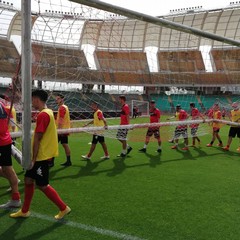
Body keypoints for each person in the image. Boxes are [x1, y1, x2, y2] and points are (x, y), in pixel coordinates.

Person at [10, 89, 71, 219]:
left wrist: (33, 159)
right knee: (28, 180)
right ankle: (25, 210)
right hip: (41, 156)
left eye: (32, 99)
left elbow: (38, 138)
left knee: (42, 185)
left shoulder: (43, 115)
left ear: (36, 99)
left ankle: (63, 208)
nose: (31, 102)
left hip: (41, 157)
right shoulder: (48, 112)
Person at [0, 100, 21, 208]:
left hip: (2, 141)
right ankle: (15, 196)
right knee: (7, 169)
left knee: (7, 169)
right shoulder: (5, 106)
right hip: (5, 140)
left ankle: (16, 198)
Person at [49, 93, 71, 167]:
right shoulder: (65, 107)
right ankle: (68, 161)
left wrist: (59, 130)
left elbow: (61, 119)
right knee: (65, 144)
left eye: (58, 99)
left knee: (54, 145)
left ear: (62, 99)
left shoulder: (62, 108)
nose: (56, 100)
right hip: (64, 129)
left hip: (61, 130)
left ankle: (51, 162)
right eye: (56, 99)